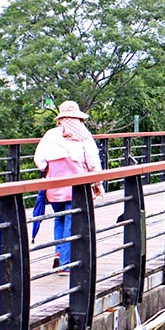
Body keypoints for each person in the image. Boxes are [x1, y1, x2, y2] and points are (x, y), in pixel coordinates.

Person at [33, 100, 103, 274]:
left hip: (54, 186)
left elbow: (39, 162)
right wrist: (98, 183)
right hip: (76, 186)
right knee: (71, 221)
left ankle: (58, 253)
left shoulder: (50, 135)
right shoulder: (83, 136)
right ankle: (65, 262)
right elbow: (93, 162)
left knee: (60, 218)